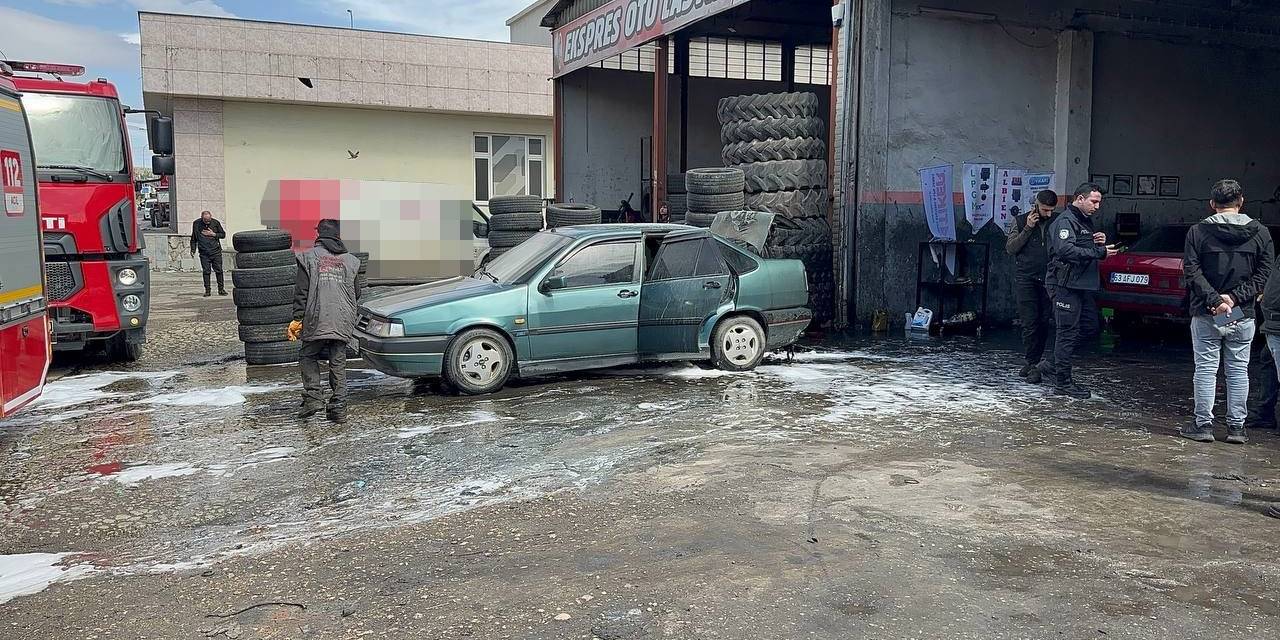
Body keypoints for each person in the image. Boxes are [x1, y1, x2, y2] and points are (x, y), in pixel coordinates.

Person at [1183, 179, 1275, 443]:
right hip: (1241, 312)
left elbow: (1192, 271)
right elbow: (1264, 274)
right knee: (1237, 370)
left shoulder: (1197, 232)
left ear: (1212, 204)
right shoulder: (1261, 233)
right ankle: (1236, 428)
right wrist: (1234, 299)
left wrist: (1216, 301)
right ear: (1241, 202)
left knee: (1205, 369)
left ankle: (1203, 426)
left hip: (1207, 311)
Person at [1044, 183, 1116, 399]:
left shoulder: (1083, 221)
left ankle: (1051, 365)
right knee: (1067, 333)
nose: (1097, 206)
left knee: (1089, 327)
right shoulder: (1065, 220)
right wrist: (1099, 253)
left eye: (1099, 202)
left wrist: (1095, 243)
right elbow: (1065, 250)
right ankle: (1062, 382)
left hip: (1082, 284)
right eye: (1093, 201)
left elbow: (1079, 245)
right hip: (1066, 285)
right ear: (1080, 198)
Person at [288, 219, 362, 423]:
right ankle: (338, 408)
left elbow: (301, 291)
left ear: (318, 234)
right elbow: (356, 292)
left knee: (307, 355)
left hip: (317, 315)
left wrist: (297, 319)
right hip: (343, 317)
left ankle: (313, 398)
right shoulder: (351, 260)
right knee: (337, 361)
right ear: (338, 235)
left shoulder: (308, 257)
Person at [1006, 190, 1058, 384]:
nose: (1048, 214)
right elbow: (1011, 248)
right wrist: (1028, 228)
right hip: (1026, 278)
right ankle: (1032, 361)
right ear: (1036, 205)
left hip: (1050, 278)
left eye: (1051, 210)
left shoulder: (1057, 221)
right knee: (1029, 322)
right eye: (1045, 210)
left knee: (1044, 321)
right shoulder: (1020, 221)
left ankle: (1034, 363)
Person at [190, 210, 227, 297]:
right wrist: (193, 249)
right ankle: (207, 290)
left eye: (209, 220)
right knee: (206, 271)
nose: (207, 222)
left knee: (219, 270)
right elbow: (193, 238)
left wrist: (214, 234)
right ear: (202, 218)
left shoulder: (215, 223)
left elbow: (223, 235)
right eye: (206, 221)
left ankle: (221, 289)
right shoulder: (196, 224)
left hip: (215, 251)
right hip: (204, 252)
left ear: (211, 217)